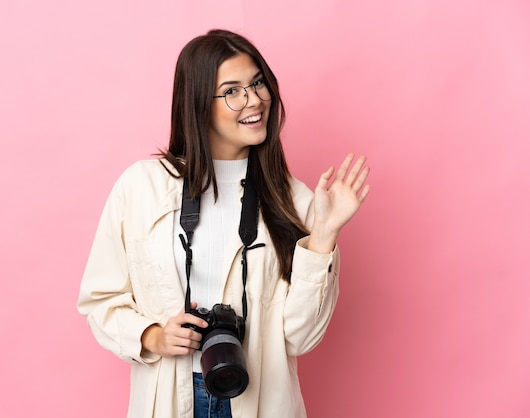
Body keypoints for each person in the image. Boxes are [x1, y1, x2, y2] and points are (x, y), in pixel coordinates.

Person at [77, 29, 370, 418]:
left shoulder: (296, 199)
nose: (254, 100)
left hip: (261, 399)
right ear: (198, 104)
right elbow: (100, 300)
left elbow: (300, 339)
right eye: (232, 90)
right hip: (171, 395)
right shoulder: (141, 187)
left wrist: (324, 236)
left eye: (258, 83)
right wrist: (153, 336)